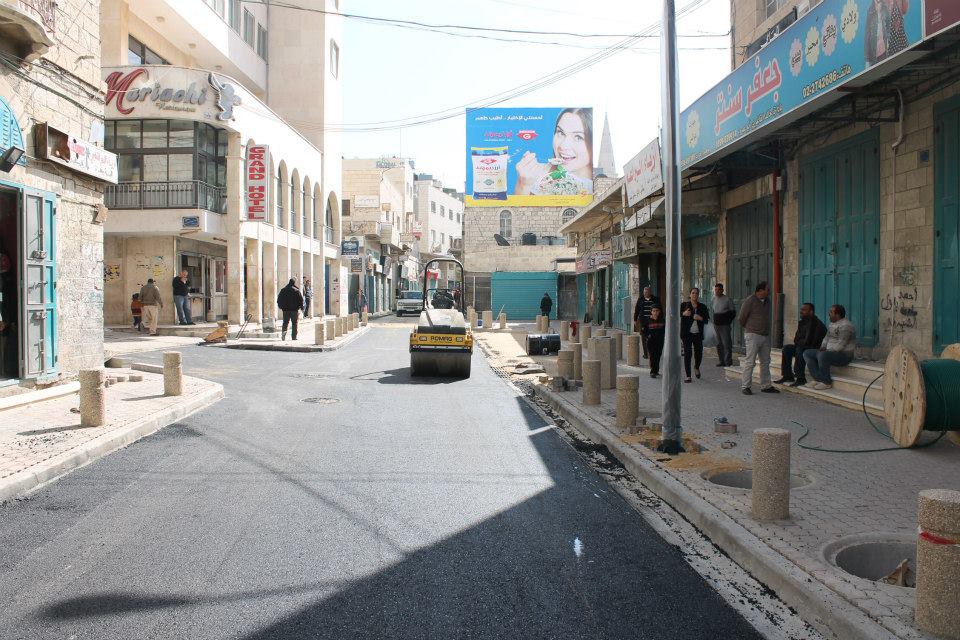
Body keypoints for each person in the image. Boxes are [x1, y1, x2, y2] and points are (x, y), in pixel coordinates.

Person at [514, 108, 594, 196]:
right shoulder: (535, 176)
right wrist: (523, 185)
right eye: (561, 132)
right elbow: (518, 209)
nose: (563, 146)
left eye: (578, 137)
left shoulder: (598, 185)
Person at [738, 281, 779, 396]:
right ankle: (746, 386)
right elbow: (741, 318)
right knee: (750, 362)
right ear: (760, 290)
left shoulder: (767, 301)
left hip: (765, 335)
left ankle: (766, 385)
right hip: (753, 335)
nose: (769, 291)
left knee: (765, 362)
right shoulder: (750, 300)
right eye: (767, 289)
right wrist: (750, 328)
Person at [803, 304, 857, 390]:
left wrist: (826, 351)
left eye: (831, 312)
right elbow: (826, 337)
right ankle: (817, 379)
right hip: (829, 352)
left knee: (822, 355)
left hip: (843, 355)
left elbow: (841, 345)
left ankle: (826, 382)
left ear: (837, 314)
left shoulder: (846, 326)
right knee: (807, 353)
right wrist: (823, 347)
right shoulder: (832, 324)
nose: (829, 314)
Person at [775, 302, 827, 387]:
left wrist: (800, 342)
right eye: (801, 310)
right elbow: (796, 339)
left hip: (814, 348)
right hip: (803, 346)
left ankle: (801, 378)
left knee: (800, 349)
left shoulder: (816, 324)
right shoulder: (802, 322)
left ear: (811, 312)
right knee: (786, 348)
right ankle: (787, 375)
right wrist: (800, 342)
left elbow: (810, 341)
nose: (801, 312)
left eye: (804, 310)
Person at [680, 287, 710, 382]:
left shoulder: (702, 307)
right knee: (688, 354)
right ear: (690, 295)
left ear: (698, 295)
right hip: (687, 334)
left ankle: (696, 367)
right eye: (693, 293)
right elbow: (676, 314)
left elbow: (706, 320)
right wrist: (684, 313)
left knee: (699, 353)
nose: (694, 295)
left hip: (698, 334)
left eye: (696, 293)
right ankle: (688, 376)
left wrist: (700, 318)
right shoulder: (684, 305)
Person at [711, 283, 736, 366]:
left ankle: (728, 362)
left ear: (722, 290)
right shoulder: (713, 299)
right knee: (718, 344)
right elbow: (714, 311)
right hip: (716, 325)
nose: (717, 291)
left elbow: (733, 312)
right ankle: (721, 361)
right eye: (716, 290)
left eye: (719, 290)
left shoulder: (727, 299)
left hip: (725, 325)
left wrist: (727, 321)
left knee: (726, 343)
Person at [633, 286, 660, 359]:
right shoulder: (640, 299)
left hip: (653, 321)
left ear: (650, 292)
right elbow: (637, 310)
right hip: (644, 322)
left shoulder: (655, 299)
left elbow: (660, 309)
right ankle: (646, 354)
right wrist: (635, 320)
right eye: (644, 292)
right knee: (644, 337)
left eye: (647, 292)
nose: (646, 293)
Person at [646, 306, 666, 379]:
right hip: (651, 341)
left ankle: (656, 370)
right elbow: (643, 330)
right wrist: (648, 336)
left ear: (659, 312)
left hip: (660, 341)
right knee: (652, 356)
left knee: (658, 355)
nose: (655, 312)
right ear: (651, 312)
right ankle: (652, 371)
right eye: (654, 311)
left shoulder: (662, 320)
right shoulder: (648, 320)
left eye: (657, 311)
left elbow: (665, 330)